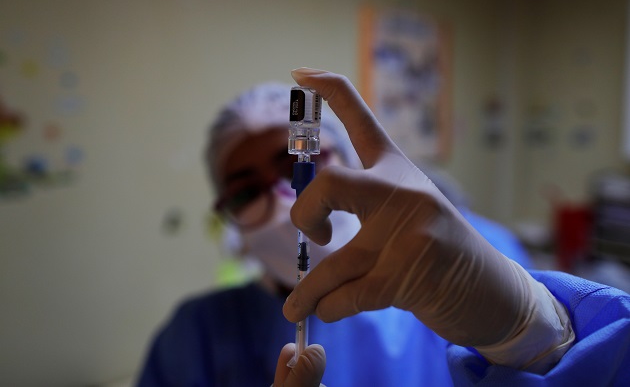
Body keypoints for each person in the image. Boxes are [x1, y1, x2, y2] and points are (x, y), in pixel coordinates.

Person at [136, 81, 533, 386]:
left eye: (295, 164)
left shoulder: (466, 255)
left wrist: (526, 338)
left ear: (350, 161)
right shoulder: (198, 334)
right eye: (244, 192)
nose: (281, 205)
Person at [274, 67, 630, 386]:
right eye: (244, 194)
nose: (276, 196)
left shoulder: (466, 244)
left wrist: (525, 329)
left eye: (284, 165)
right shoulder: (222, 325)